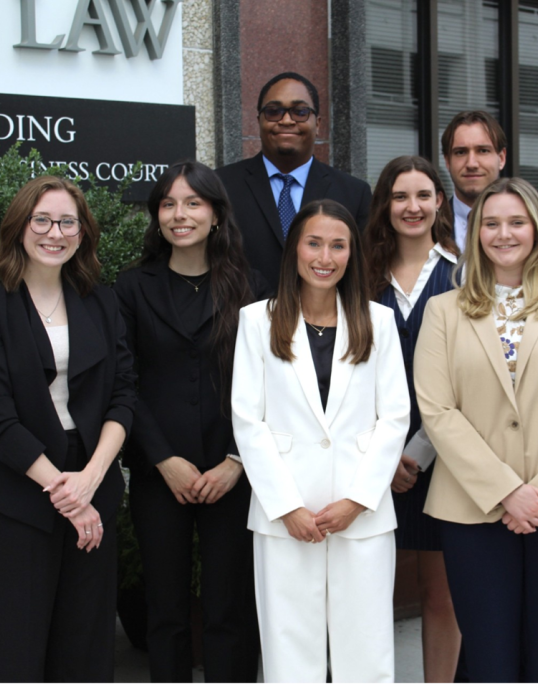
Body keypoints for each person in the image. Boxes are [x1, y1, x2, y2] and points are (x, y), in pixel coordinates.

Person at [414, 177, 538, 683]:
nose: (504, 234)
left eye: (517, 222)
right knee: (489, 662)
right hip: (472, 509)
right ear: (476, 232)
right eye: (491, 223)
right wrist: (507, 492)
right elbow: (437, 411)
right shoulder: (443, 311)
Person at [0, 176, 136, 683]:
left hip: (93, 481)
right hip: (20, 488)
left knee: (85, 645)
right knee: (16, 644)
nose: (53, 232)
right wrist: (65, 491)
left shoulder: (102, 303)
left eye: (66, 222)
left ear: (82, 233)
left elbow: (123, 396)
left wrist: (91, 480)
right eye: (42, 220)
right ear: (20, 228)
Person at [231, 199, 410, 684]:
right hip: (285, 515)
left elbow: (395, 417)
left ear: (353, 253)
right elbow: (248, 421)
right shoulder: (256, 321)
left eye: (338, 245)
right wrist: (286, 506)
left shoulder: (379, 321)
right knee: (290, 651)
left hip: (362, 513)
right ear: (294, 250)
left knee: (367, 650)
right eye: (314, 243)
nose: (324, 257)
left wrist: (357, 499)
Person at [113, 161, 268, 684]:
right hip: (162, 473)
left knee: (231, 610)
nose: (180, 215)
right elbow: (123, 381)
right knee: (166, 610)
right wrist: (163, 460)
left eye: (193, 203)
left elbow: (269, 382)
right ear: (157, 217)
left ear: (217, 214)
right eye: (168, 204)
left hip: (233, 471)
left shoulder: (251, 286)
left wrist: (235, 461)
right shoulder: (131, 287)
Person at [363, 155, 462, 684]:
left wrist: (417, 453)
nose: (412, 206)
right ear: (385, 204)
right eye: (400, 196)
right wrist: (383, 454)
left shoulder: (464, 273)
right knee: (367, 590)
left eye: (423, 195)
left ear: (439, 202)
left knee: (438, 593)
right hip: (370, 460)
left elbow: (471, 379)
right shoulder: (360, 277)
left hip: (441, 460)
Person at [216, 72, 373, 289]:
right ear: (258, 121)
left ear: (318, 124)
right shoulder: (221, 186)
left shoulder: (354, 194)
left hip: (326, 320)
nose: (287, 120)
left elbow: (362, 273)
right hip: (241, 319)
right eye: (274, 111)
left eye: (300, 112)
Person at [441, 110, 538, 260]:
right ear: (448, 161)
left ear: (501, 158)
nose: (472, 164)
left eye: (483, 151)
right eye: (461, 152)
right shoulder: (428, 230)